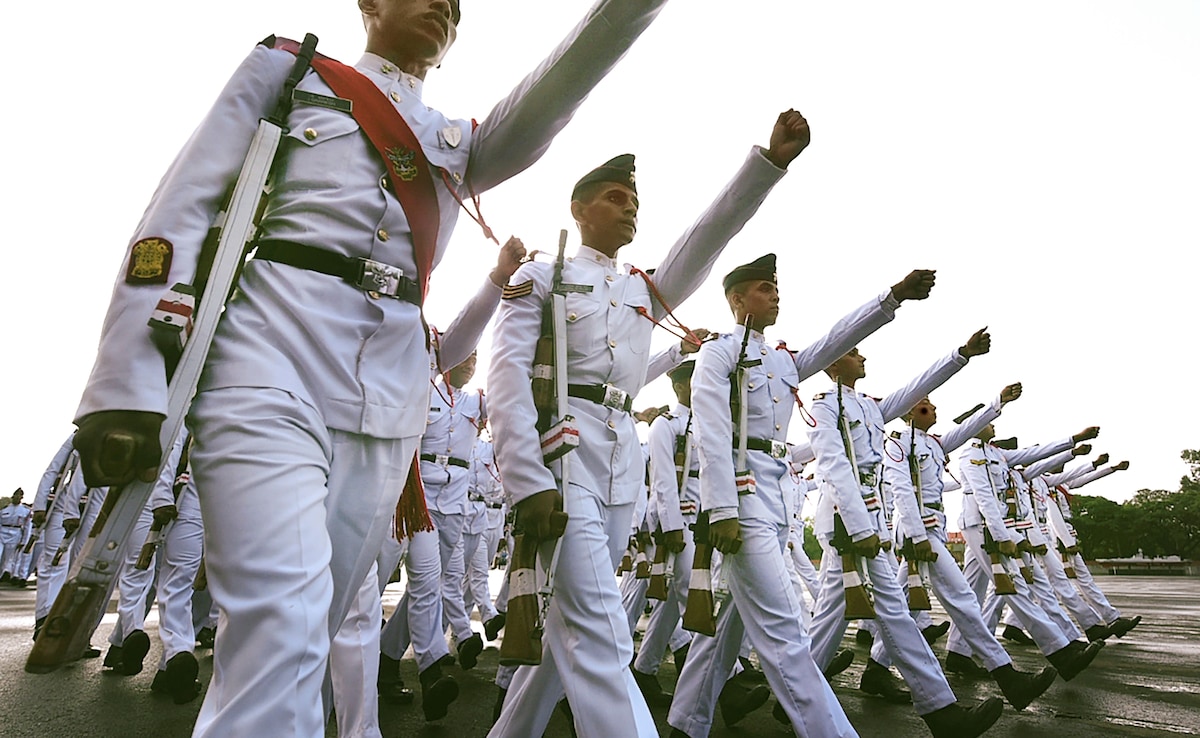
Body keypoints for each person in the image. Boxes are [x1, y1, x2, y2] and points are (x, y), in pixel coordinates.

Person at [69, 1, 677, 735]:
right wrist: (127, 378)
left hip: (386, 399)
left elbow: (554, 94)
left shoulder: (456, 141)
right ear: (369, 5)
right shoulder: (292, 71)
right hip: (268, 355)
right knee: (282, 626)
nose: (443, 7)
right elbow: (181, 210)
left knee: (304, 635)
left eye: (456, 5)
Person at [488, 110, 812, 738]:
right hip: (562, 456)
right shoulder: (543, 275)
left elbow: (708, 236)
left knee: (570, 624)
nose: (630, 208)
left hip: (618, 461)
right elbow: (505, 378)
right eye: (615, 198)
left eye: (634, 201)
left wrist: (768, 165)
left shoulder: (643, 288)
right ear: (580, 209)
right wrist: (525, 479)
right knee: (601, 626)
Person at [805, 334, 1007, 738]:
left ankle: (798, 695)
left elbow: (919, 385)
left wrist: (961, 355)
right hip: (846, 523)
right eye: (853, 352)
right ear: (833, 364)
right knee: (878, 614)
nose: (862, 355)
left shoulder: (870, 407)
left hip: (868, 522)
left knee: (861, 615)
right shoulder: (824, 406)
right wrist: (859, 527)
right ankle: (942, 713)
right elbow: (834, 464)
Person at [875, 388, 1059, 711]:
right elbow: (902, 490)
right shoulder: (898, 443)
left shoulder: (935, 444)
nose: (932, 407)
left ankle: (875, 668)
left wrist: (998, 403)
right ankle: (1008, 677)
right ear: (909, 411)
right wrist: (917, 536)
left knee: (901, 602)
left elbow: (967, 429)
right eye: (925, 404)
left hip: (932, 528)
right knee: (963, 599)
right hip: (920, 532)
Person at [0, 489, 32, 582]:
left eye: (19, 496)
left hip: (15, 533)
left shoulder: (25, 511)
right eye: (16, 495)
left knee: (8, 557)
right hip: (2, 532)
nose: (17, 497)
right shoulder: (4, 509)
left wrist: (24, 541)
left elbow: (27, 527)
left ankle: (4, 573)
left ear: (22, 498)